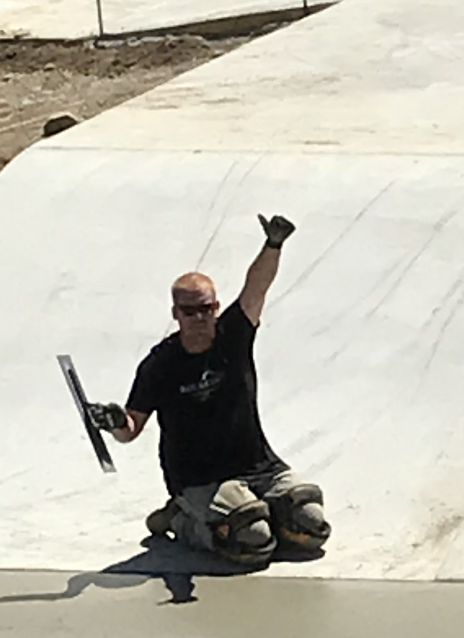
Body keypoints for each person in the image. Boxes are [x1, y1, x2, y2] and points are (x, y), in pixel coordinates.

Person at [88, 214, 330, 568]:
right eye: (190, 312)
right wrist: (114, 420)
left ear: (216, 307)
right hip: (200, 479)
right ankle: (181, 519)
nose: (199, 318)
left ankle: (260, 514)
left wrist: (273, 244)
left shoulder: (234, 334)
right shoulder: (160, 364)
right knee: (253, 541)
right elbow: (131, 429)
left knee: (309, 523)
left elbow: (256, 288)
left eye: (206, 309)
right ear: (176, 313)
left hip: (259, 466)